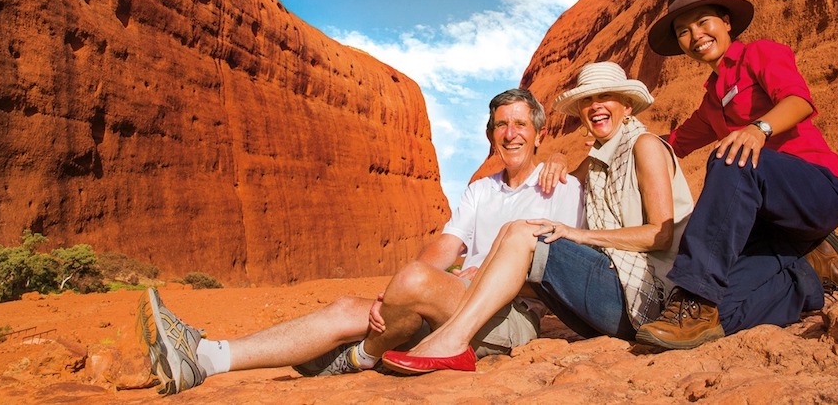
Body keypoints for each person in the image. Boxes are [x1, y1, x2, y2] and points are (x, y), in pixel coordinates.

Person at [138, 89, 584, 395]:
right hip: (454, 299)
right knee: (346, 308)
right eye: (502, 124)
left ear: (540, 133)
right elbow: (448, 246)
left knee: (411, 283)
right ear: (492, 134)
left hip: (510, 319)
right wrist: (401, 289)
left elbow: (557, 273)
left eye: (521, 124)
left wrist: (445, 282)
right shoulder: (480, 190)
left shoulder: (560, 188)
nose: (511, 133)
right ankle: (206, 358)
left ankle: (363, 356)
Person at [380, 62, 693, 374]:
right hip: (606, 299)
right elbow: (565, 179)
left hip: (647, 301)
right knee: (515, 229)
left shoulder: (646, 146)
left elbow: (661, 234)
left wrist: (579, 235)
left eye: (606, 96)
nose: (595, 106)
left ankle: (452, 341)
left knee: (524, 232)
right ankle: (447, 339)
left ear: (627, 105)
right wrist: (556, 158)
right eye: (587, 100)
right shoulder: (598, 161)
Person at [630, 0, 838, 350]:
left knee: (732, 156)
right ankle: (808, 275)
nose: (695, 35)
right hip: (774, 230)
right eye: (683, 32)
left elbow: (798, 100)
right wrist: (614, 144)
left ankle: (692, 295)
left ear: (726, 22)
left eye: (703, 22)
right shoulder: (712, 100)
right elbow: (669, 145)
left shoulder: (760, 53)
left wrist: (759, 129)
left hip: (816, 192)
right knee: (717, 313)